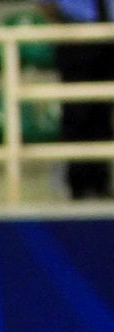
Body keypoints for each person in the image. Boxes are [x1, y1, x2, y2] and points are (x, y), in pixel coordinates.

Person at [46, 0, 113, 200]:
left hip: (108, 34)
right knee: (76, 111)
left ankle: (101, 183)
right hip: (75, 34)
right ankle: (78, 185)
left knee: (103, 111)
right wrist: (65, 26)